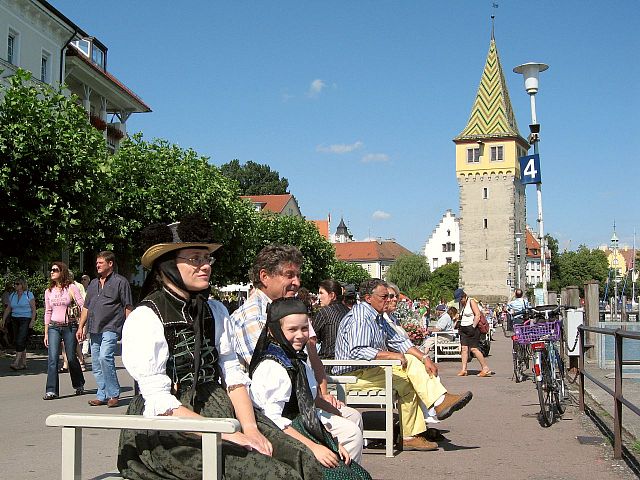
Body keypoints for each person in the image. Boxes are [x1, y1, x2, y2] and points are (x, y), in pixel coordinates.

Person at [117, 215, 319, 479]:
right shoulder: (147, 317)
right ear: (166, 265)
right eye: (195, 259)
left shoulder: (215, 310)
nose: (205, 267)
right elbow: (159, 401)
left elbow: (232, 374)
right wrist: (229, 435)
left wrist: (251, 428)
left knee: (305, 459)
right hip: (170, 430)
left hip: (224, 410)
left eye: (206, 259)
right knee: (274, 474)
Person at [231, 244, 364, 461]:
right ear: (265, 276)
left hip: (299, 398)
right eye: (289, 275)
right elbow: (271, 374)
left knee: (353, 417)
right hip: (274, 410)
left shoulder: (290, 309)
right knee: (349, 433)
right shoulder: (254, 317)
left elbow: (309, 356)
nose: (297, 282)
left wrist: (322, 394)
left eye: (298, 275)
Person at [333, 278, 473, 452]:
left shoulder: (377, 316)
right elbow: (357, 351)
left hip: (367, 371)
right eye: (384, 296)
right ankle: (436, 405)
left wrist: (424, 358)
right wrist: (390, 355)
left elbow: (400, 341)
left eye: (389, 296)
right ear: (368, 298)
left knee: (411, 372)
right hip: (351, 375)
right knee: (408, 376)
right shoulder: (361, 316)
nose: (388, 300)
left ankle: (414, 431)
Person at [249, 298, 371, 478]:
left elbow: (310, 400)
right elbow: (272, 421)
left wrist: (330, 441)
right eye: (292, 329)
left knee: (355, 471)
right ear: (273, 331)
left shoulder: (296, 358)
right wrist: (314, 447)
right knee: (346, 470)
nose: (300, 335)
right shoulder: (272, 367)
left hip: (301, 423)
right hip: (281, 433)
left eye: (304, 328)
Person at [77, 251, 133, 407]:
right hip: (94, 328)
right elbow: (86, 307)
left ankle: (113, 394)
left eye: (100, 263)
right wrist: (81, 326)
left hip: (112, 326)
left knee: (104, 357)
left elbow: (128, 306)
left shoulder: (120, 282)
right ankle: (102, 394)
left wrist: (129, 329)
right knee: (96, 362)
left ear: (110, 264)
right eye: (96, 263)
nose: (97, 265)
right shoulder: (94, 283)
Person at [43, 261, 86, 400]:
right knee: (53, 359)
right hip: (54, 327)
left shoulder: (71, 288)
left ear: (62, 272)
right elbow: (48, 312)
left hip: (70, 326)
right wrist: (46, 332)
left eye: (55, 270)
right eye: (51, 270)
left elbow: (82, 305)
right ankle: (51, 390)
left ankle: (79, 383)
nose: (52, 272)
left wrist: (82, 327)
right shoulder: (49, 291)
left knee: (72, 358)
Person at [454, 288, 492, 377]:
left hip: (472, 328)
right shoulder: (461, 304)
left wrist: (473, 326)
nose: (460, 301)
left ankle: (485, 368)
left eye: (461, 299)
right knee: (464, 349)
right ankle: (464, 369)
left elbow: (477, 314)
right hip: (463, 328)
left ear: (464, 296)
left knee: (474, 349)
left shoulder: (471, 301)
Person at [312, 279, 349, 370]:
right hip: (347, 364)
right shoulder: (349, 312)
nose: (318, 297)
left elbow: (312, 338)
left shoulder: (323, 313)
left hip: (327, 364)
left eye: (321, 293)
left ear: (332, 295)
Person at [2, 277, 36, 370]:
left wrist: (32, 321)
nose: (15, 286)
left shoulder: (29, 294)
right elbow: (9, 308)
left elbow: (33, 309)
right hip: (15, 319)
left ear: (22, 285)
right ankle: (24, 363)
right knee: (19, 340)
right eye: (15, 284)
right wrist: (3, 319)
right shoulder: (13, 295)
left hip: (26, 318)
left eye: (17, 284)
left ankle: (16, 362)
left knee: (20, 340)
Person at [59, 270, 88, 373]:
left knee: (74, 343)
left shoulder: (77, 286)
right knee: (63, 343)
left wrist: (82, 323)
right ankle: (65, 364)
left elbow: (83, 302)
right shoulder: (58, 288)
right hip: (61, 320)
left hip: (73, 319)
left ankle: (81, 361)